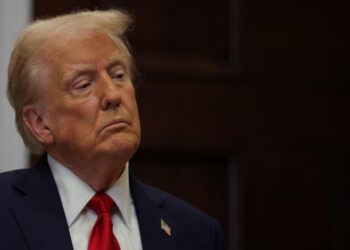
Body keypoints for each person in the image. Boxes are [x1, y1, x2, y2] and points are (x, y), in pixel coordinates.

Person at [0, 9, 227, 250]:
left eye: (118, 75)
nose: (113, 94)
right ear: (40, 123)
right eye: (84, 84)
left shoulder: (197, 233)